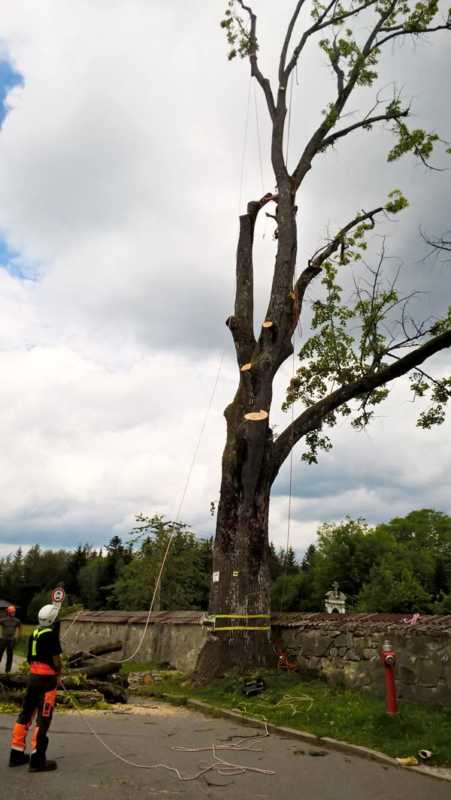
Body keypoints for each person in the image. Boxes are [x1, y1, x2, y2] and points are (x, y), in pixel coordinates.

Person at [9, 603, 62, 772]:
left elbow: (30, 659)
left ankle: (16, 754)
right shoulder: (51, 635)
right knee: (43, 718)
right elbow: (56, 660)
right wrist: (58, 671)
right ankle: (37, 759)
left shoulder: (34, 633)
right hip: (46, 681)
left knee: (25, 714)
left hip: (33, 678)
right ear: (53, 619)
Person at [0, 605, 21, 673]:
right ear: (8, 612)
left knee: (10, 655)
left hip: (11, 640)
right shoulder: (3, 620)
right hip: (3, 639)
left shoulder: (17, 620)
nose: (13, 613)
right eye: (12, 612)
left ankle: (7, 671)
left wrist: (16, 637)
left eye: (14, 612)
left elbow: (19, 629)